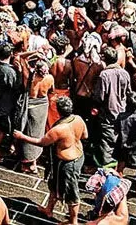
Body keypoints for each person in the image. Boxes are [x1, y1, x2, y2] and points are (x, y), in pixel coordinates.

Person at [14, 96, 87, 225]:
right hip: (77, 156)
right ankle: (49, 209)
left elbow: (41, 142)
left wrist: (22, 136)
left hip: (68, 164)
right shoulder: (79, 119)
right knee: (53, 185)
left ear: (58, 110)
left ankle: (73, 221)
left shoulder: (58, 129)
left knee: (71, 193)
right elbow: (85, 135)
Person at [92, 47, 131, 167]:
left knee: (107, 141)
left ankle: (107, 166)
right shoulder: (125, 73)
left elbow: (100, 96)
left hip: (108, 112)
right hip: (122, 111)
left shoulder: (104, 75)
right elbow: (129, 92)